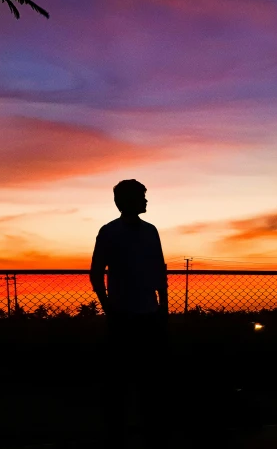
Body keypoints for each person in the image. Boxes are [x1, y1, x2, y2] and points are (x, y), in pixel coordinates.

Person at [90, 179, 169, 447]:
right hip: (123, 316)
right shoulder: (109, 232)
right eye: (142, 196)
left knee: (150, 381)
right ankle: (117, 434)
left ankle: (150, 431)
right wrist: (108, 306)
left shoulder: (151, 231)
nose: (146, 201)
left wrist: (162, 309)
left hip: (148, 314)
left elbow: (160, 271)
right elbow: (96, 273)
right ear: (126, 201)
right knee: (119, 381)